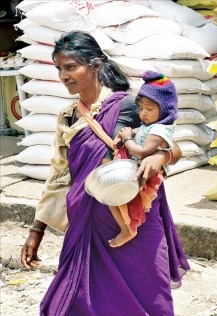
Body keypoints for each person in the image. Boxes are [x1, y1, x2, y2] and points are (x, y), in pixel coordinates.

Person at [19, 30, 189, 315]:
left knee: (148, 299)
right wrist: (38, 229)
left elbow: (172, 145)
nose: (63, 75)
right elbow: (59, 176)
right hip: (88, 225)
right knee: (79, 301)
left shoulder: (127, 105)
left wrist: (160, 156)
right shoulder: (69, 117)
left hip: (137, 225)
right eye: (59, 68)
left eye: (71, 66)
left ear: (95, 65)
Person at [108, 71, 178, 248]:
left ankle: (127, 229)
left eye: (149, 109)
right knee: (114, 199)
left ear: (165, 109)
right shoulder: (151, 126)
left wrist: (127, 139)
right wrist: (130, 132)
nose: (143, 113)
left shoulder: (160, 130)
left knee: (113, 198)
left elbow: (141, 152)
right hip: (137, 172)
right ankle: (127, 228)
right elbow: (139, 131)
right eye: (141, 108)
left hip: (145, 175)